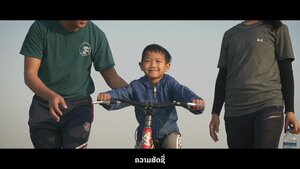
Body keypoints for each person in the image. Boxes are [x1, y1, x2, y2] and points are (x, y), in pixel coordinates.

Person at [20, 20, 128, 149]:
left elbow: (112, 77)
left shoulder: (96, 34)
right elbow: (30, 75)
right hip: (44, 105)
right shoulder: (40, 27)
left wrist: (137, 94)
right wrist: (50, 96)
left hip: (79, 107)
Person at [209, 20, 300, 148]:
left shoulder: (278, 29)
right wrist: (215, 113)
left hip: (268, 104)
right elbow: (222, 76)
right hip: (235, 111)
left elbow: (286, 72)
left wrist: (290, 111)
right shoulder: (229, 34)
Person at [97, 44, 205, 148]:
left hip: (168, 133)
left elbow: (182, 92)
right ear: (141, 65)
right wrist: (108, 97)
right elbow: (122, 93)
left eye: (158, 61)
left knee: (172, 143)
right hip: (144, 134)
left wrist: (195, 102)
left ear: (167, 66)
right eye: (148, 61)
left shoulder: (170, 83)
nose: (153, 65)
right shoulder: (136, 86)